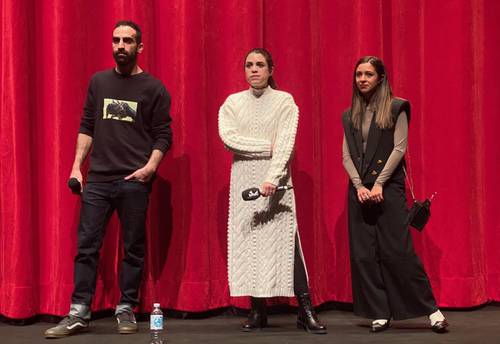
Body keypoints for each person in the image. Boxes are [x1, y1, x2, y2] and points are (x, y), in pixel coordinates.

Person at [44, 20, 172, 338]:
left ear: (139, 47)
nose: (120, 46)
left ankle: (126, 306)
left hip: (134, 181)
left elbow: (163, 133)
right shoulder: (99, 82)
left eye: (127, 41)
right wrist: (76, 166)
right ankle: (78, 311)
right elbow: (87, 125)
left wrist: (151, 167)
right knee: (86, 246)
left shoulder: (154, 88)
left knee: (133, 248)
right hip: (99, 179)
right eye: (116, 40)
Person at [218, 48, 326, 334]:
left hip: (276, 182)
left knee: (287, 245)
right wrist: (268, 145)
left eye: (260, 65)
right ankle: (257, 310)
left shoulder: (284, 101)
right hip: (243, 180)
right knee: (251, 243)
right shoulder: (232, 102)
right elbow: (229, 139)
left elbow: (286, 143)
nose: (254, 70)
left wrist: (272, 176)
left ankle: (305, 311)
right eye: (249, 65)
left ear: (270, 69)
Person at [341, 56, 448, 333]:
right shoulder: (349, 114)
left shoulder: (397, 107)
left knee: (398, 251)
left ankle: (431, 311)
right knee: (364, 254)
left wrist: (378, 184)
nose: (362, 79)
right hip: (360, 190)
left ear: (380, 78)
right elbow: (346, 155)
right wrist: (359, 186)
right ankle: (379, 311)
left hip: (388, 187)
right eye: (358, 75)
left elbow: (399, 149)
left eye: (368, 74)